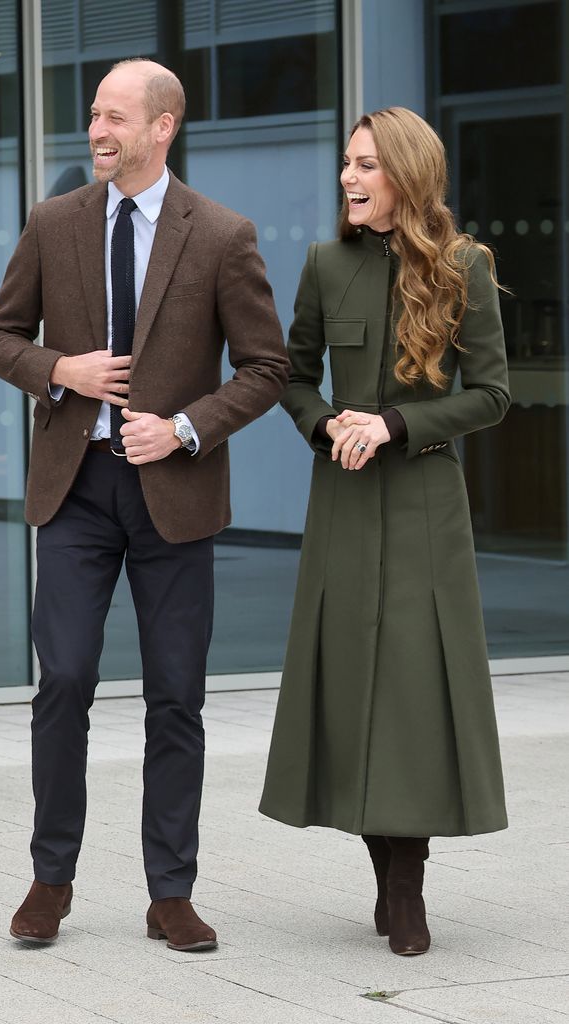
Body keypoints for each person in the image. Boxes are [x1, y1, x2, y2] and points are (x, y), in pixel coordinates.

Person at [0, 58, 287, 951]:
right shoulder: (54, 222)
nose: (97, 131)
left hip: (174, 496)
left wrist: (187, 428)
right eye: (93, 116)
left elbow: (267, 369)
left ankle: (170, 893)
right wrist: (58, 370)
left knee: (176, 697)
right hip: (75, 490)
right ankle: (50, 879)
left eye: (115, 117)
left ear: (164, 127)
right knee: (64, 679)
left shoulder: (223, 235)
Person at [259, 107, 509, 956]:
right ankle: (380, 876)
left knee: (410, 695)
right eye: (345, 163)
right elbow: (289, 378)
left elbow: (491, 393)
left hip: (424, 509)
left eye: (364, 164)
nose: (347, 178)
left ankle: (407, 887)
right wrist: (325, 423)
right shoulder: (324, 265)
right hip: (342, 506)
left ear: (404, 173)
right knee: (352, 689)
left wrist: (397, 426)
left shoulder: (464, 266)